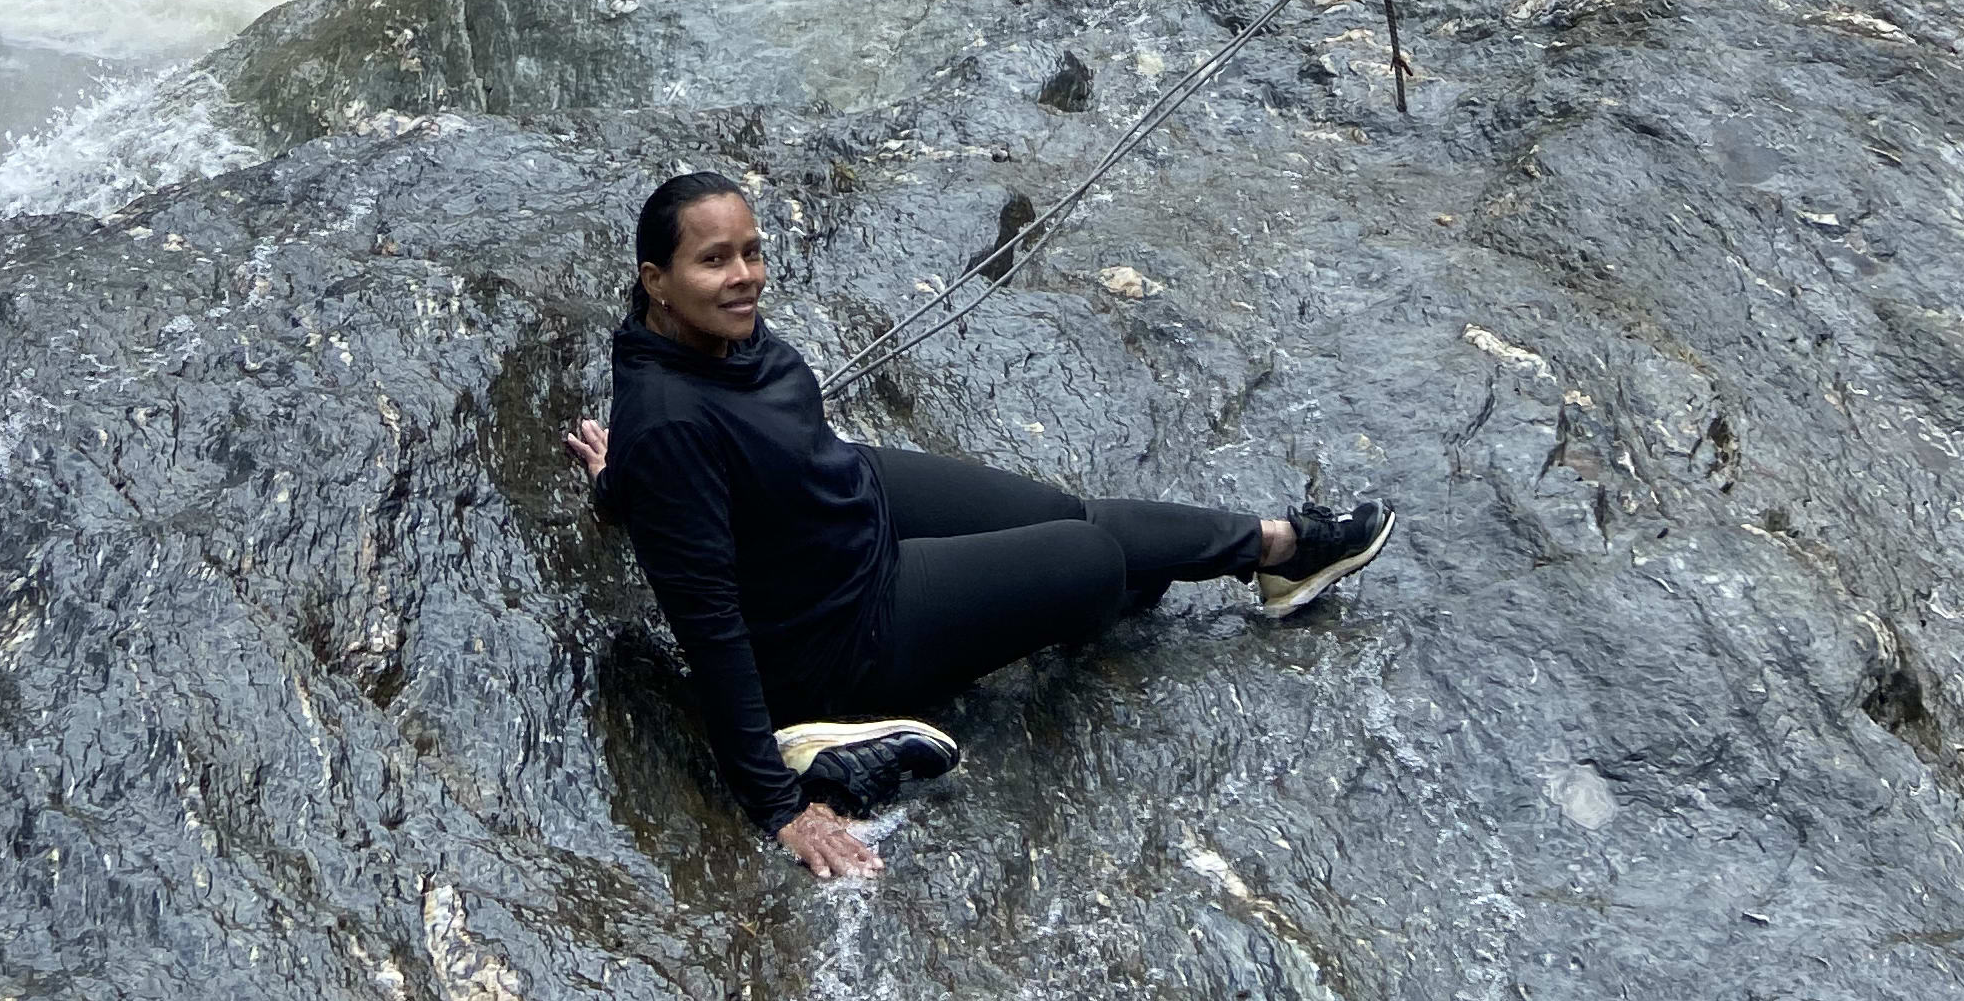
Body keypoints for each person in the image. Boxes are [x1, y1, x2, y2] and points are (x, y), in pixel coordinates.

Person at [565, 167, 1393, 882]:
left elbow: (658, 477)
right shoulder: (670, 421)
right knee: (1097, 562)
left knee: (1070, 516)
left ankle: (1278, 550)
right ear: (656, 279)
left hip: (854, 499)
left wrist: (616, 484)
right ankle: (813, 743)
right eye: (714, 260)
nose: (744, 275)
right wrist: (780, 810)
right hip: (847, 625)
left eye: (752, 251)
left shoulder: (696, 339)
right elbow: (705, 618)